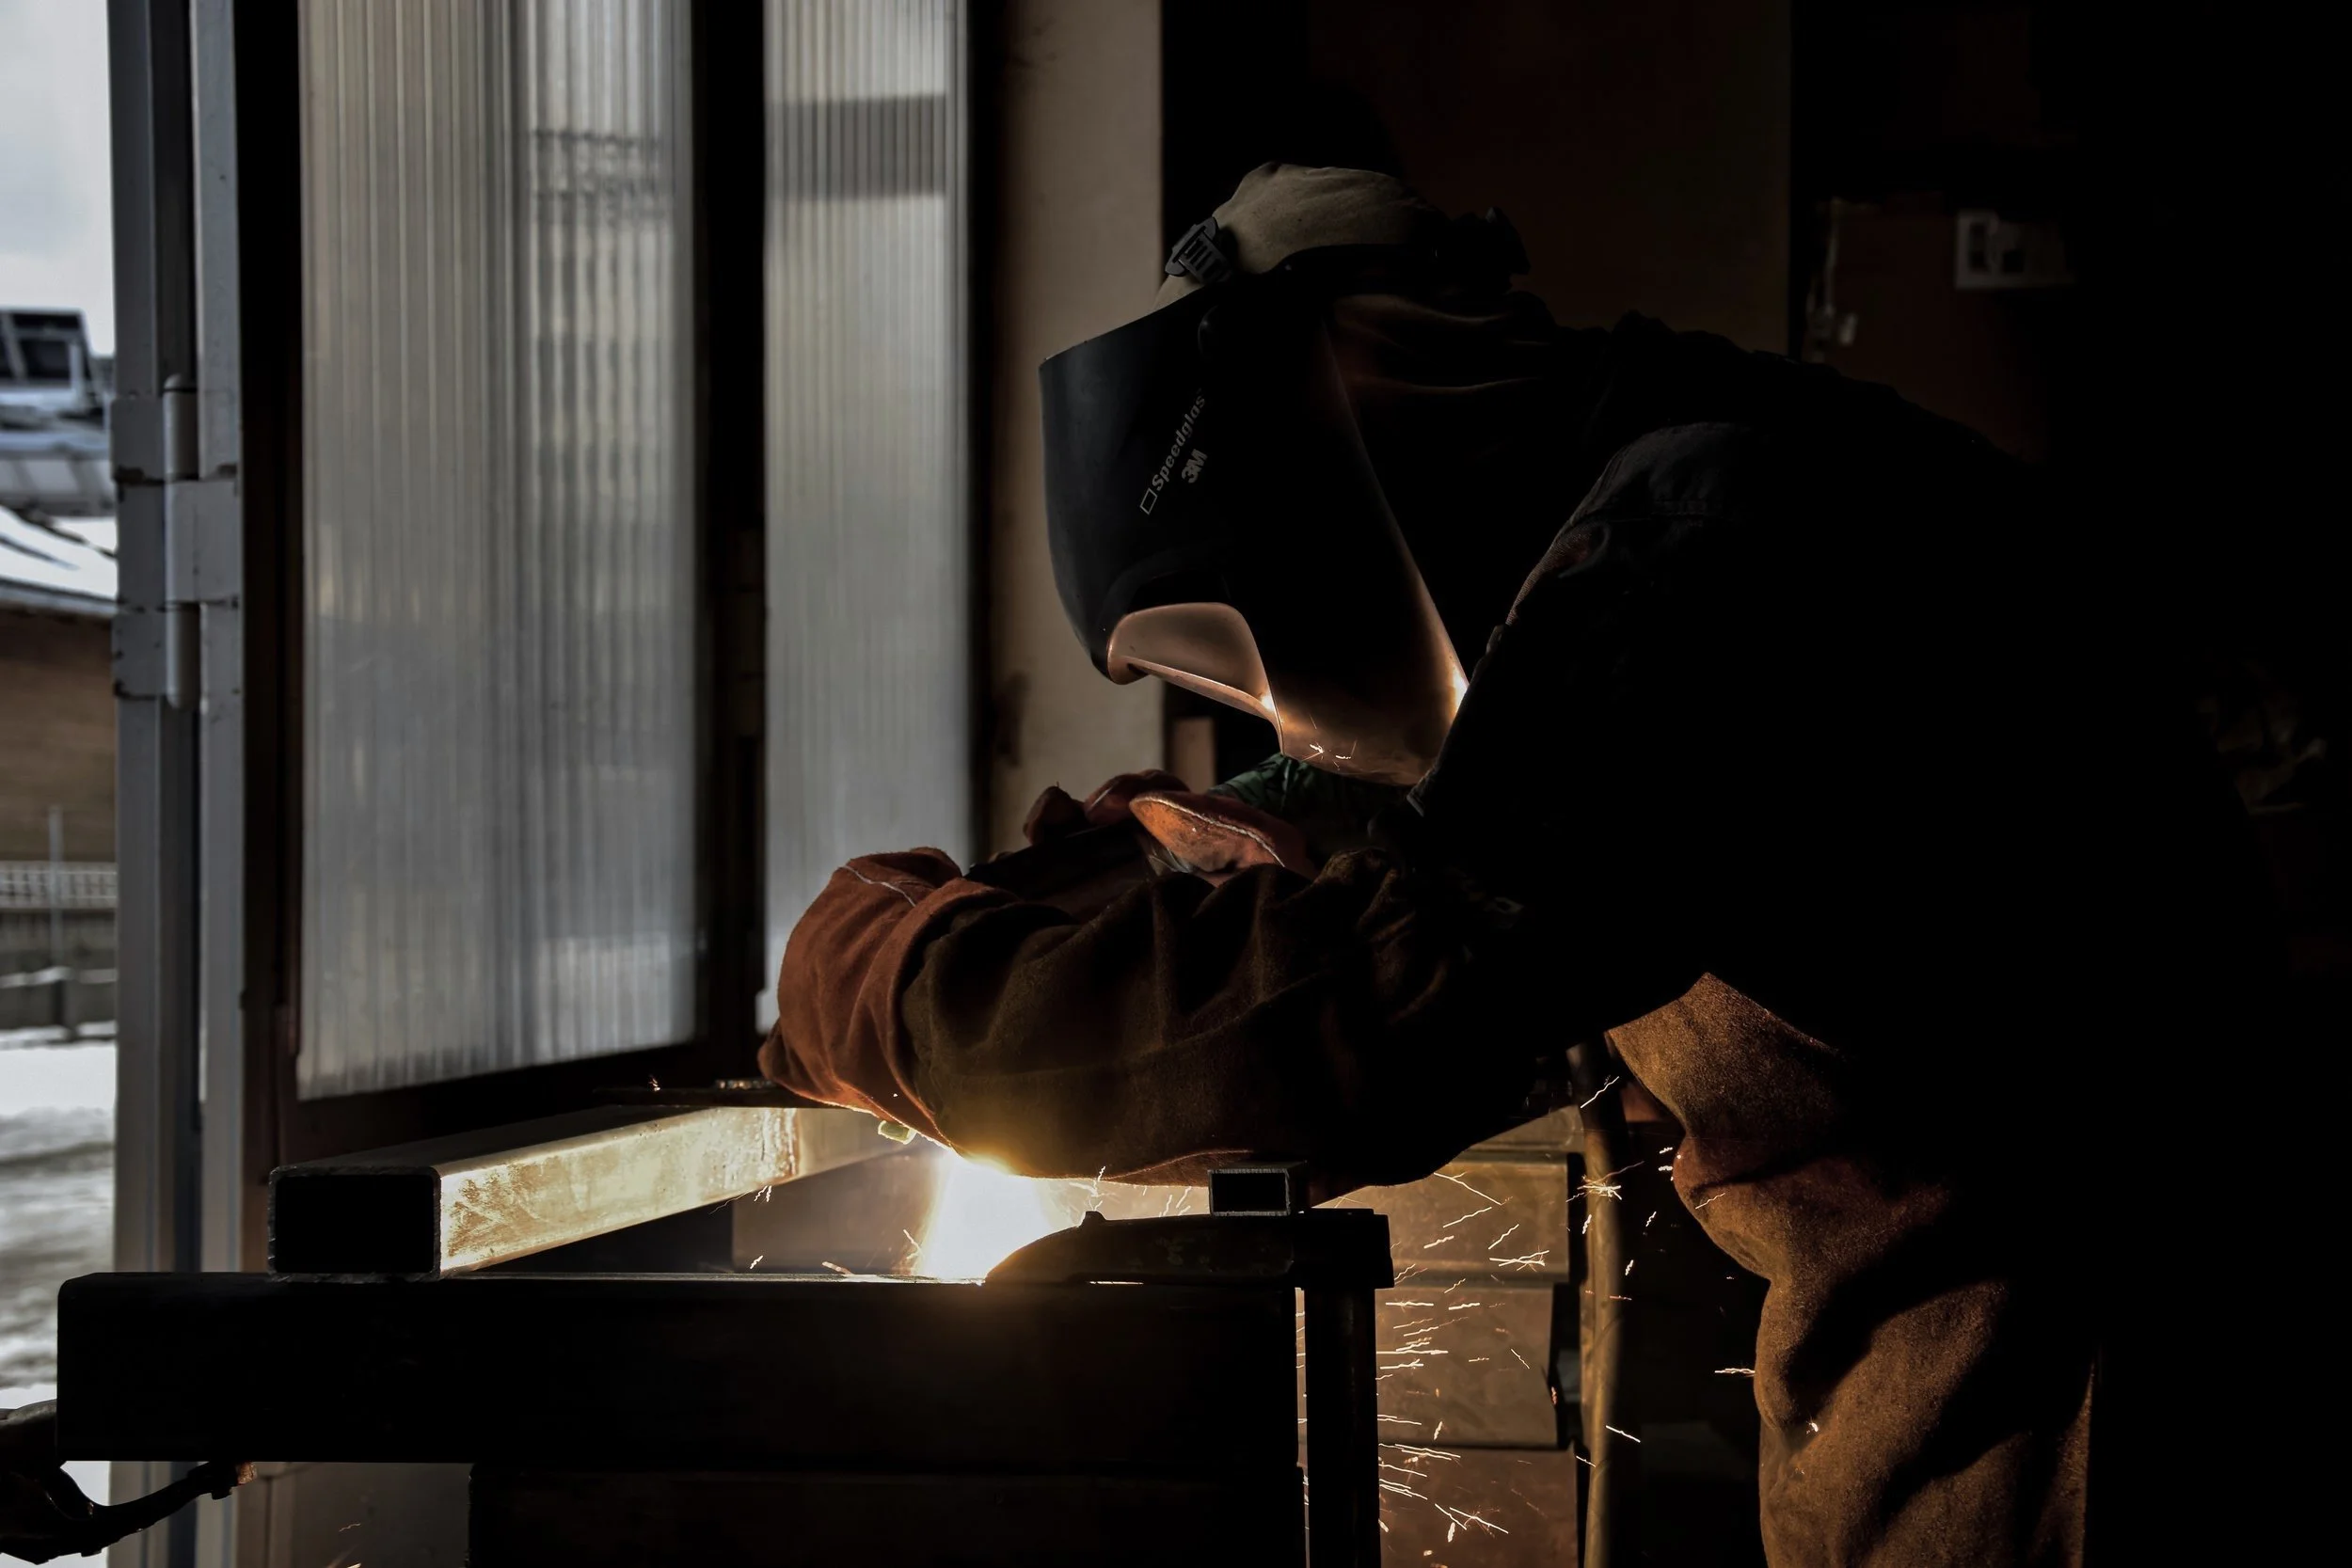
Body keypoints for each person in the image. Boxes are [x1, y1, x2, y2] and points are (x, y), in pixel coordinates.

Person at [760, 165, 2272, 1565]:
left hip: (2081, 1430)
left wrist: (915, 998)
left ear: (1343, 440)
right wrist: (1253, 852)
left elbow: (1385, 1011)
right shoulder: (1701, 483)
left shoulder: (1704, 542)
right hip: (1971, 1393)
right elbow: (1479, 829)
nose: (1280, 722)